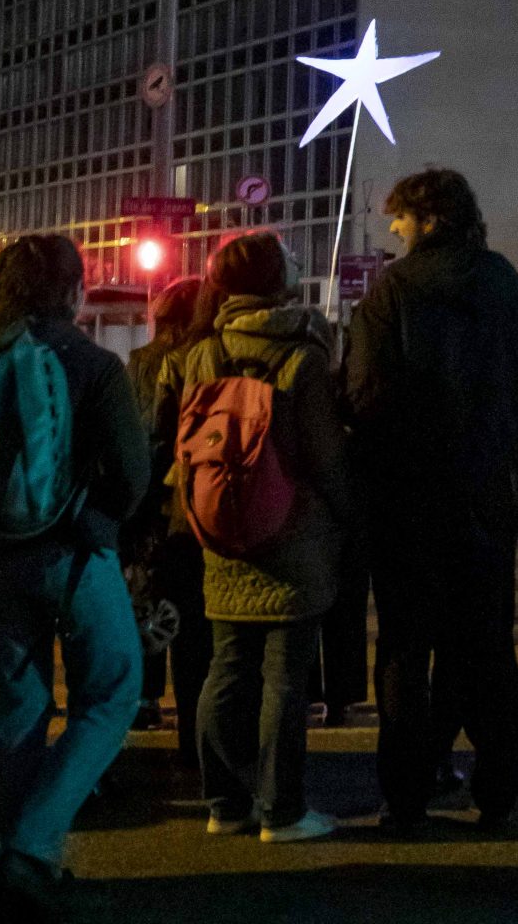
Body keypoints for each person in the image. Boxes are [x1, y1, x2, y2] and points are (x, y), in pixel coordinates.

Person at [0, 231, 148, 912]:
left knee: (19, 706)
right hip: (76, 551)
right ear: (71, 290)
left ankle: (27, 855)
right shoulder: (94, 364)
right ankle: (32, 847)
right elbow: (130, 472)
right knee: (112, 690)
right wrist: (102, 524)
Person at [344, 165, 518, 835]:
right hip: (485, 496)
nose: (394, 227)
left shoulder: (393, 292)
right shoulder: (503, 286)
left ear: (430, 219)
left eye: (402, 216)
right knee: (487, 648)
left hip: (408, 502)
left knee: (405, 651)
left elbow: (365, 396)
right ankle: (497, 792)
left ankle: (407, 797)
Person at [177, 229, 355, 843]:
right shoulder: (303, 354)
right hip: (293, 533)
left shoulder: (204, 352)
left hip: (224, 528)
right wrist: (347, 516)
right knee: (285, 678)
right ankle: (281, 810)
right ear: (274, 279)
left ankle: (225, 804)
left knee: (226, 667)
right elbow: (325, 456)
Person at [125, 276, 211, 758]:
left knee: (150, 599)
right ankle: (195, 724)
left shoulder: (142, 361)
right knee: (193, 618)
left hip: (153, 499)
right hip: (189, 500)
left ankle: (145, 697)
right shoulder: (202, 356)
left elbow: (144, 432)